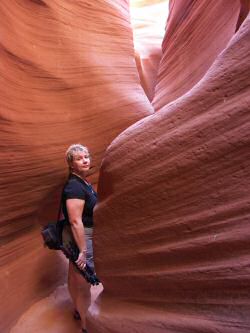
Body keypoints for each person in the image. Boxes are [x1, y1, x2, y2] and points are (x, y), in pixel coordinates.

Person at [62, 144, 97, 333]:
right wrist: (83, 250)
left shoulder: (81, 182)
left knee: (74, 274)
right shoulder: (75, 186)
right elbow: (76, 221)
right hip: (81, 237)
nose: (85, 160)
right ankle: (85, 325)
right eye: (79, 158)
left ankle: (77, 310)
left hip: (76, 237)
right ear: (71, 164)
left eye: (86, 156)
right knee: (84, 282)